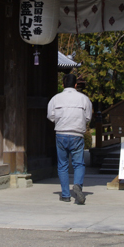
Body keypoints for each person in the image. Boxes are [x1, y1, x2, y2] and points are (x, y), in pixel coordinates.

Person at [47, 73, 93, 204]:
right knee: (78, 163)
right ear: (76, 85)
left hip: (61, 133)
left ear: (62, 85)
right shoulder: (84, 99)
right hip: (77, 134)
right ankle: (78, 184)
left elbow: (50, 116)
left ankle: (65, 195)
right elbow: (88, 117)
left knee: (62, 165)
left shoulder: (56, 98)